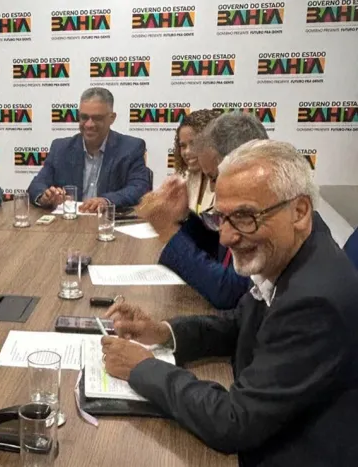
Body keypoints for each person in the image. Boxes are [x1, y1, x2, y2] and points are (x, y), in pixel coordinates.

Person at [101, 140, 358, 466]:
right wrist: (163, 332)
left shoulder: (314, 301)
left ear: (300, 211)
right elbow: (240, 322)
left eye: (245, 217)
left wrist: (142, 367)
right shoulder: (299, 247)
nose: (226, 236)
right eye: (221, 217)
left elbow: (232, 421)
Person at [137, 112, 270, 309]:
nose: (213, 188)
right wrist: (182, 217)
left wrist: (168, 232)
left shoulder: (270, 214)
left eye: (214, 178)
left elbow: (230, 292)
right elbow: (218, 248)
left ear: (246, 166)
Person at [27, 87, 151, 212]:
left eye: (97, 118)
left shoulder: (131, 148)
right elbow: (36, 185)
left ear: (112, 118)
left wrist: (106, 201)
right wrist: (45, 197)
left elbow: (139, 188)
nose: (89, 124)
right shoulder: (60, 148)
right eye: (84, 117)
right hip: (70, 221)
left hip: (108, 221)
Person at [171, 109, 220, 215]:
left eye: (193, 143)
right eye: (183, 146)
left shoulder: (230, 179)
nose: (187, 152)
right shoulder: (186, 178)